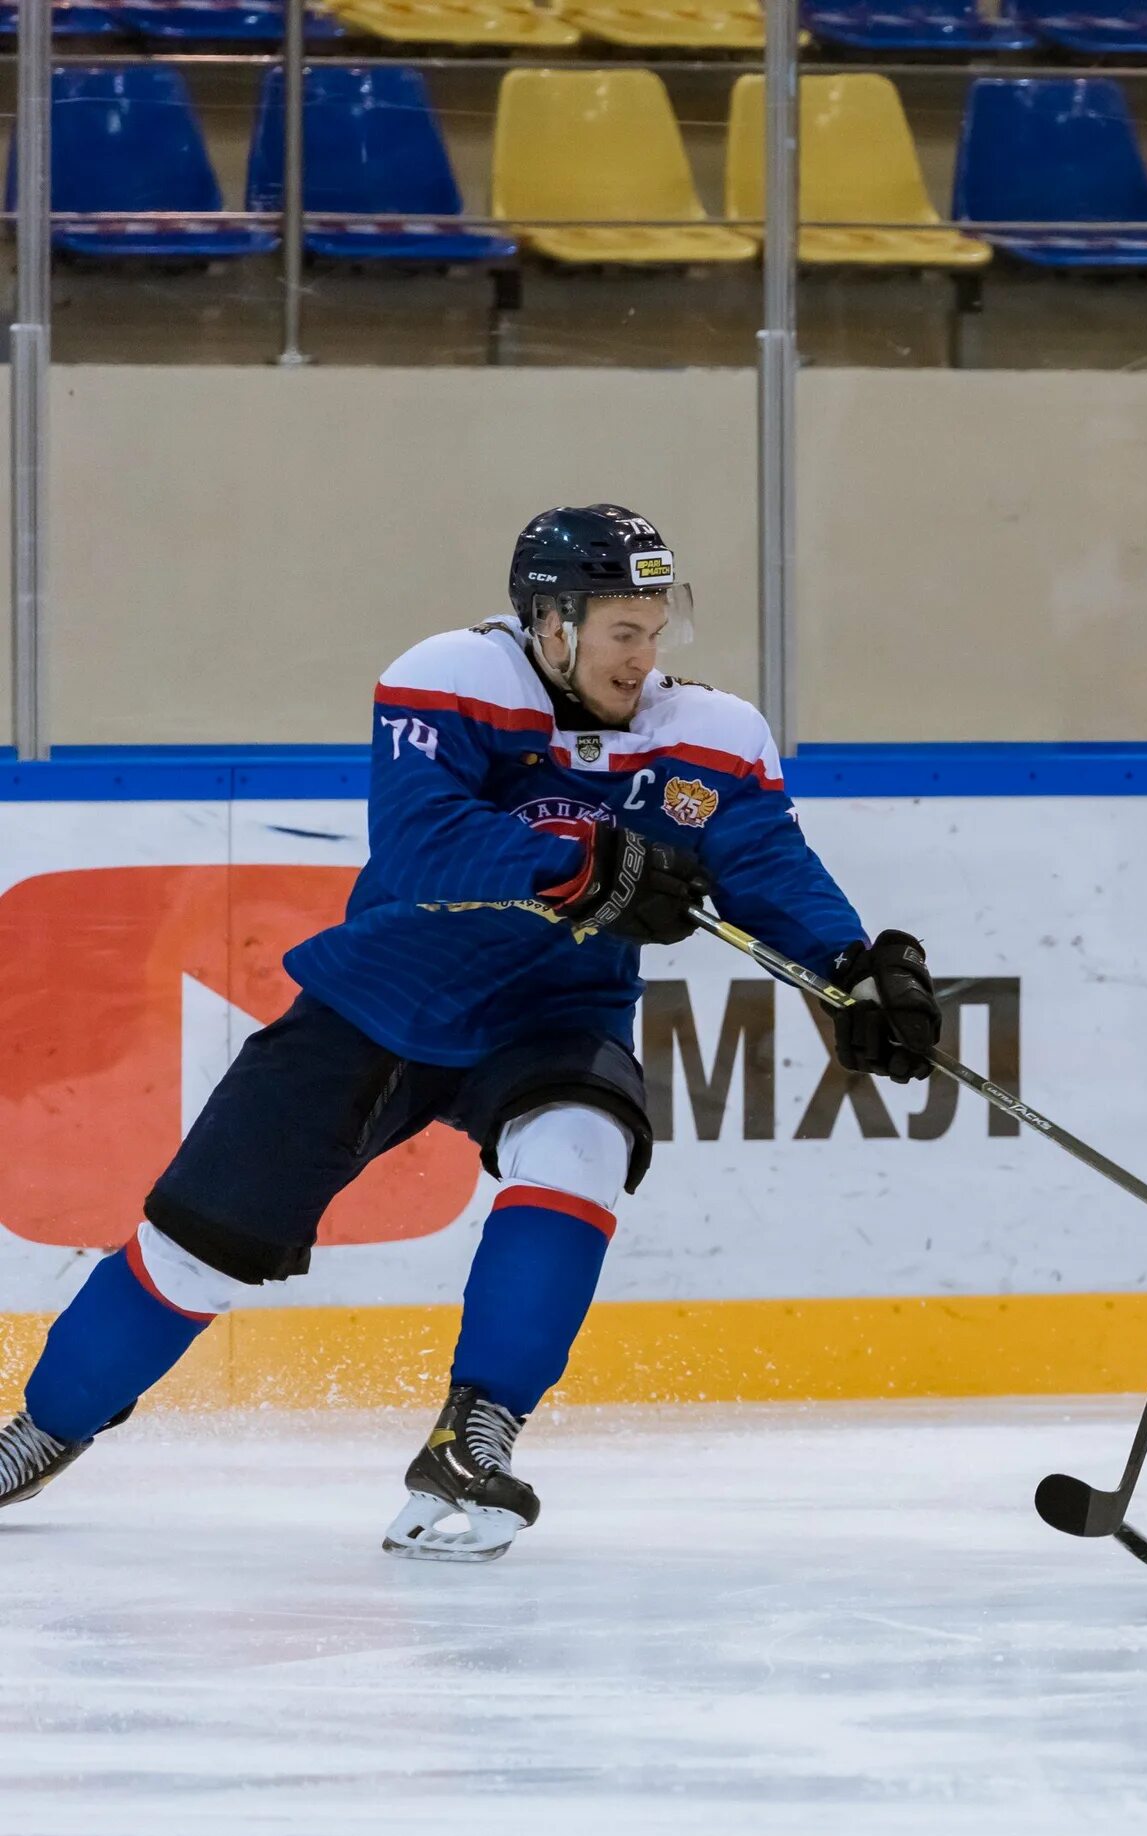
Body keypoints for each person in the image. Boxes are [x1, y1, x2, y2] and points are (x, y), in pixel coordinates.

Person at [0, 506, 943, 1561]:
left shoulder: (710, 736)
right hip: (382, 1003)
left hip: (555, 1014)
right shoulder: (451, 678)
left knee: (581, 1149)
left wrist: (856, 974)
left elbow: (771, 869)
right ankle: (46, 1425)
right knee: (197, 1250)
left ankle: (476, 1429)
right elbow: (419, 844)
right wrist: (586, 864)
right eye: (620, 630)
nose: (646, 655)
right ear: (548, 622)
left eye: (654, 627)